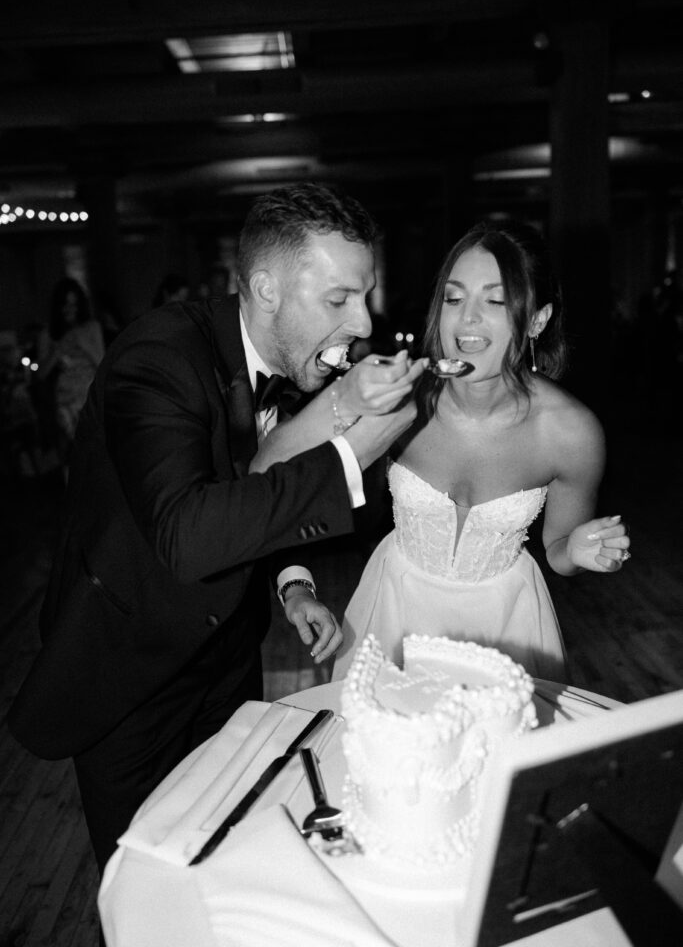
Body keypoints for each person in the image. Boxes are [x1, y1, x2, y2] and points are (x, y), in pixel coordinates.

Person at [7, 182, 425, 874]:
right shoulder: (155, 361)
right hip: (128, 676)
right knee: (141, 878)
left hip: (227, 660)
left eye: (364, 295)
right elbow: (187, 533)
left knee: (221, 856)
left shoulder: (294, 359)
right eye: (338, 299)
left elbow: (254, 481)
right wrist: (351, 453)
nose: (363, 321)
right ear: (265, 289)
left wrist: (291, 583)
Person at [252, 219, 630, 684]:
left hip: (507, 627)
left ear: (537, 319)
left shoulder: (571, 433)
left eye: (494, 300)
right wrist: (295, 587)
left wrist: (574, 549)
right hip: (395, 614)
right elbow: (273, 473)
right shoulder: (404, 397)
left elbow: (557, 548)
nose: (467, 319)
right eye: (454, 298)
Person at [37, 277, 105, 469]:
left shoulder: (92, 327)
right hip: (66, 400)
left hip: (90, 397)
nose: (70, 310)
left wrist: (83, 344)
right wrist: (58, 350)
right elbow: (41, 374)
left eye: (74, 305)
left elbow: (102, 363)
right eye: (66, 305)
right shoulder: (48, 333)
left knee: (96, 449)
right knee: (76, 450)